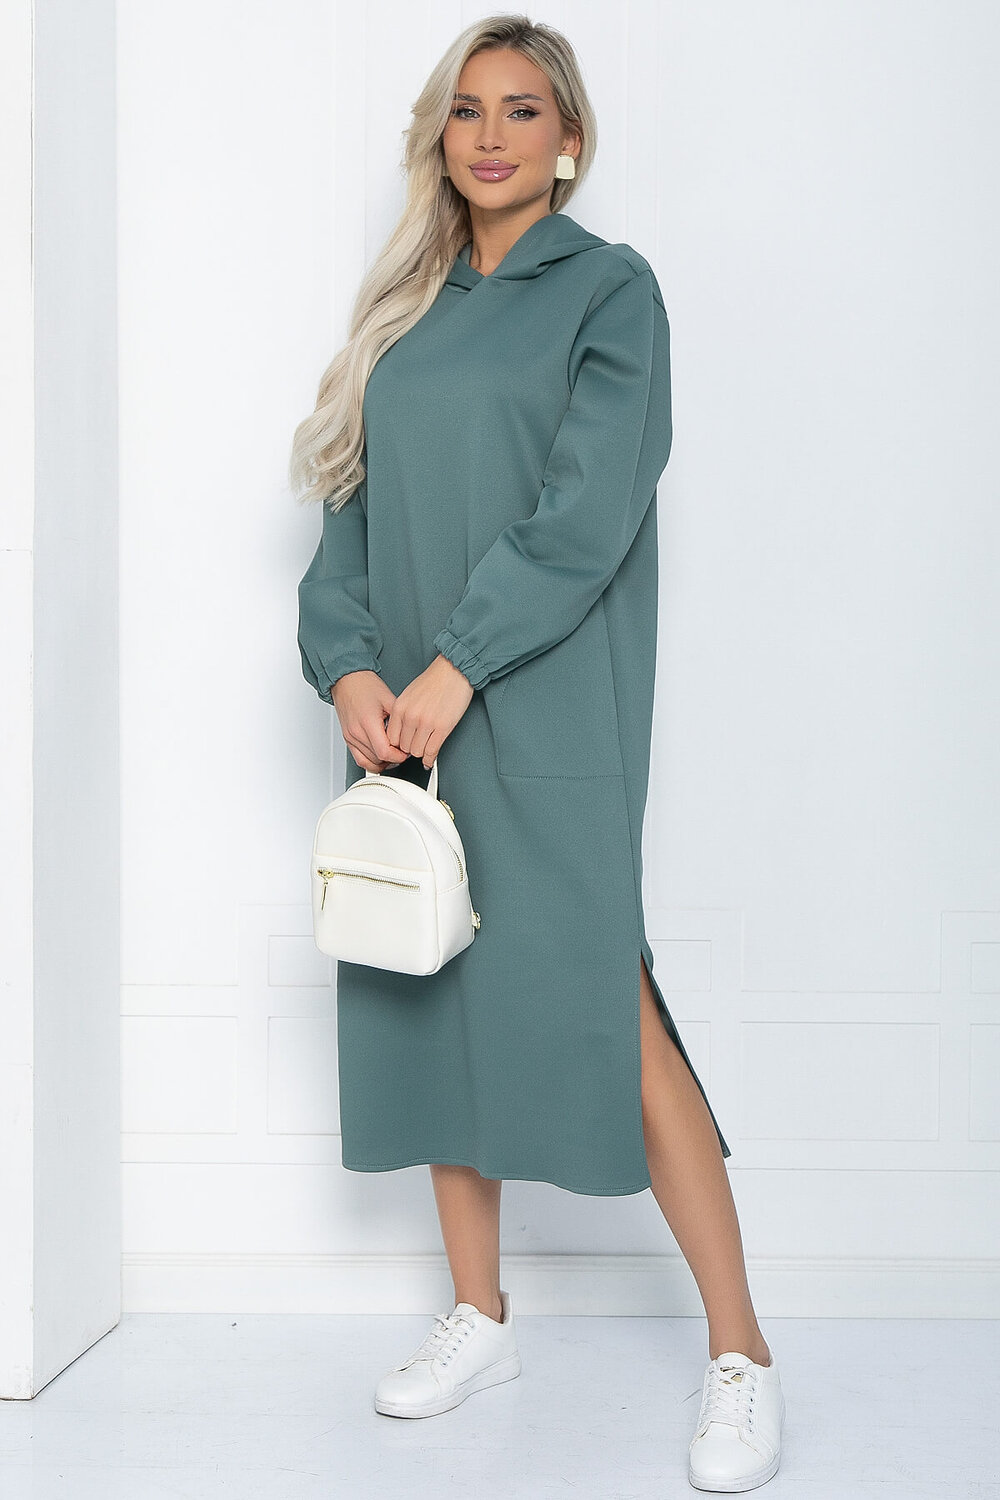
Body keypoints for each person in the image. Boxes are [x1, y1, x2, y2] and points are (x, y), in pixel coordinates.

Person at [290, 15, 785, 1492]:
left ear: (568, 140)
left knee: (605, 1007)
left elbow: (590, 508)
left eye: (522, 110)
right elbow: (344, 526)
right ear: (440, 139)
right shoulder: (403, 317)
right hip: (406, 721)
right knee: (432, 984)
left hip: (546, 707)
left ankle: (742, 1353)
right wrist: (352, 668)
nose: (491, 135)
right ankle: (481, 1316)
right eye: (467, 110)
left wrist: (460, 663)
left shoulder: (611, 292)